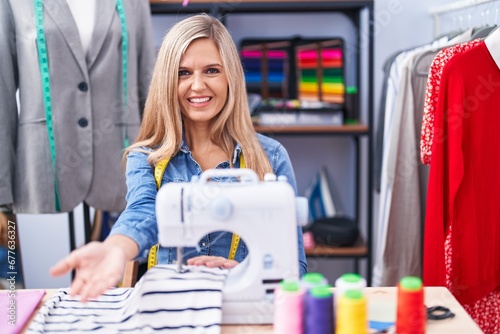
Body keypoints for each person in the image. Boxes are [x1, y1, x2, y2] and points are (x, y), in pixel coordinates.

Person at [51, 13, 308, 302]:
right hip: (171, 307)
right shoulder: (146, 157)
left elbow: (293, 267)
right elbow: (144, 210)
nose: (197, 86)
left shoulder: (269, 157)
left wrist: (241, 272)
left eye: (212, 70)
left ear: (230, 77)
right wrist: (115, 248)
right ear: (167, 81)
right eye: (183, 73)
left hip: (243, 306)